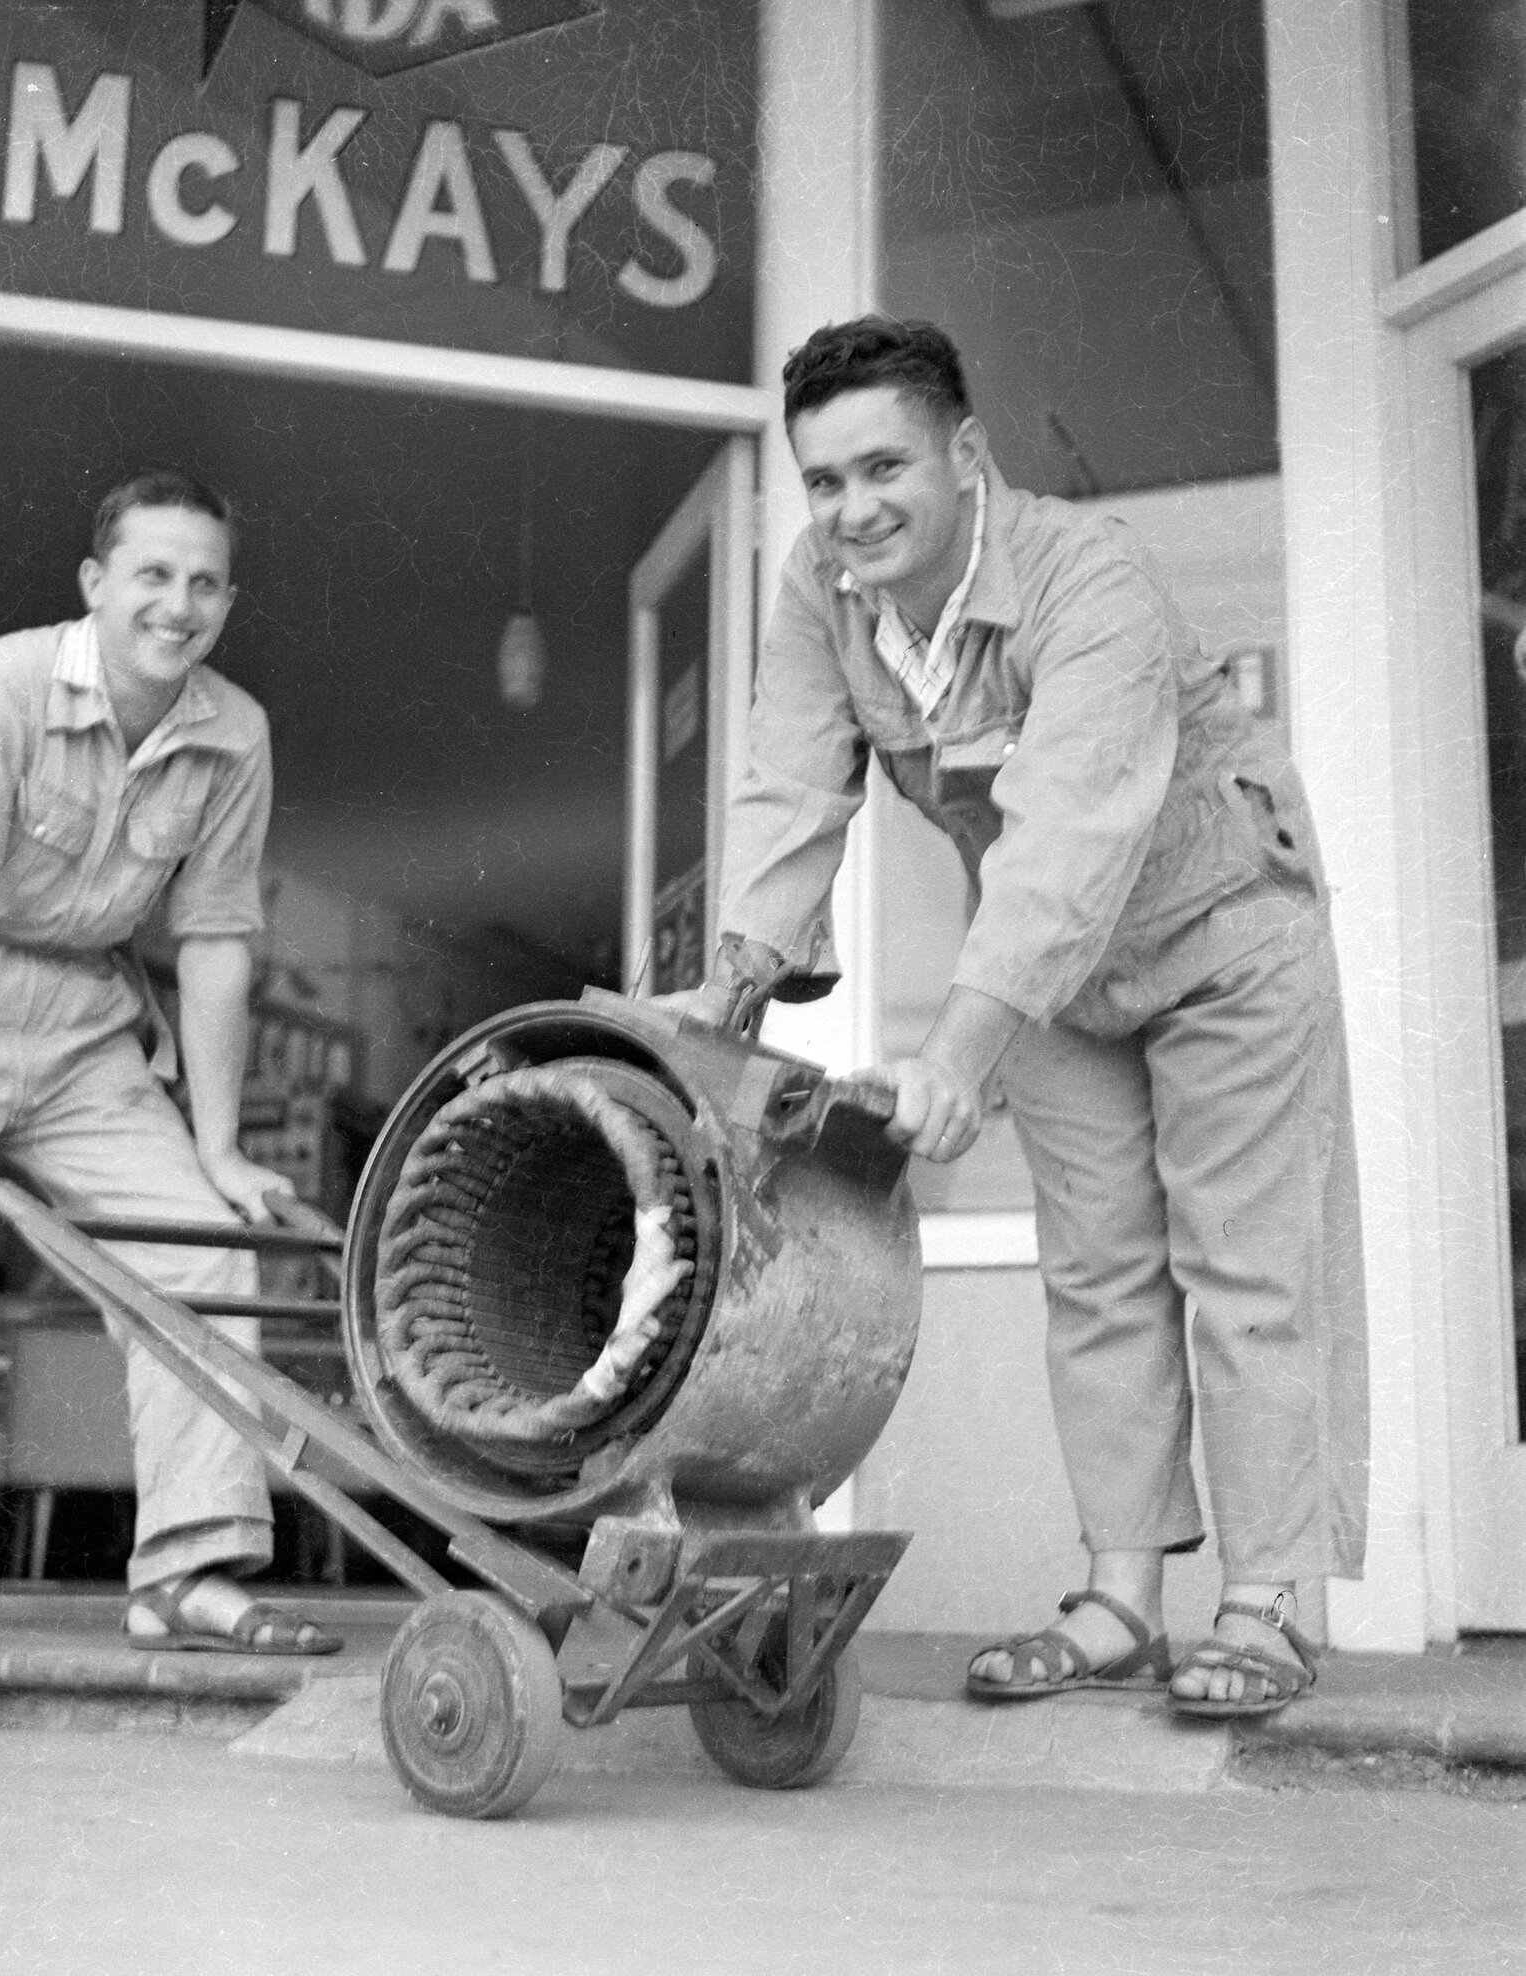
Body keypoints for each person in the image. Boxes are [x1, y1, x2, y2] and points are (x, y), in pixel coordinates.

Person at [675, 317, 1367, 1719]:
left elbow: (1062, 836)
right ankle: (1119, 1602)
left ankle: (1264, 1606)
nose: (852, 510)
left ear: (965, 453)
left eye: (883, 468)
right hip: (1052, 966)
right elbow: (792, 782)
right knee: (1096, 1268)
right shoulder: (821, 585)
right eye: (821, 482)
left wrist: (954, 1058)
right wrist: (728, 987)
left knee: (1243, 1266)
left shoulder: (1082, 574)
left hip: (1217, 927)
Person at [0, 468, 340, 1747]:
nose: (179, 602)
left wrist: (215, 1143)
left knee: (200, 1243)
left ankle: (184, 1573)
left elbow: (211, 939)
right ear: (96, 583)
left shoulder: (232, 730)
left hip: (87, 1019)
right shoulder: (1, 681)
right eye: (152, 573)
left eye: (205, 580)